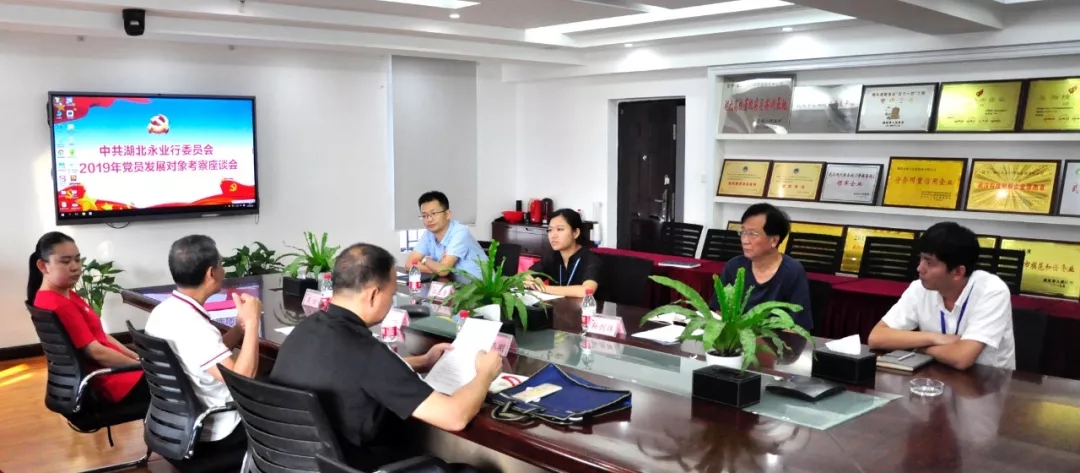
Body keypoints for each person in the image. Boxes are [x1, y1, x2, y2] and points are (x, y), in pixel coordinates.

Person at [271, 243, 502, 472]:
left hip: (293, 465)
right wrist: (485, 373)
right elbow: (455, 417)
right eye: (391, 295)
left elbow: (345, 371)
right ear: (373, 295)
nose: (391, 303)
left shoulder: (304, 330)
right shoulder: (367, 353)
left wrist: (423, 362)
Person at [144, 235, 262, 446]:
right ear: (211, 273)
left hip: (177, 424)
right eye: (221, 265)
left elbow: (203, 355)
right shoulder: (195, 326)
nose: (223, 271)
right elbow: (242, 379)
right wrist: (253, 322)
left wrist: (239, 328)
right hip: (220, 426)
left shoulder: (162, 312)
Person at [868, 222, 1015, 370]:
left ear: (957, 272)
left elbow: (962, 358)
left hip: (986, 379)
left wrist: (920, 348)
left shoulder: (992, 291)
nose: (919, 268)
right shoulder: (919, 288)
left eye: (929, 263)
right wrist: (934, 338)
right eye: (921, 259)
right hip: (933, 375)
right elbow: (876, 338)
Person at [28, 231, 149, 406]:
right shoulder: (58, 304)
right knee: (183, 380)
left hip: (115, 373)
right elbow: (96, 352)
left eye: (77, 260)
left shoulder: (62, 295)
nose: (75, 267)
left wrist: (135, 358)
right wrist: (140, 367)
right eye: (65, 261)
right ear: (43, 266)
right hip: (114, 382)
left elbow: (99, 335)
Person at [714, 203, 812, 330]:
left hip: (775, 341)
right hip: (736, 340)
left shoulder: (793, 272)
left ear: (774, 240)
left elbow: (796, 327)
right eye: (743, 232)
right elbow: (720, 313)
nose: (745, 240)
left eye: (752, 234)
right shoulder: (734, 267)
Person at [405, 191, 487, 281]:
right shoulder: (429, 234)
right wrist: (436, 267)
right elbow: (409, 264)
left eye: (434, 213)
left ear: (447, 214)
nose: (429, 219)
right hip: (452, 285)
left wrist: (425, 260)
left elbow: (443, 271)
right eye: (424, 215)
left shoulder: (460, 232)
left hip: (481, 287)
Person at [524, 208, 602, 297]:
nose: (553, 235)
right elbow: (525, 276)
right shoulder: (552, 256)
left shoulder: (591, 259)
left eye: (560, 229)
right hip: (558, 305)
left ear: (575, 233)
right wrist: (530, 281)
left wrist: (544, 288)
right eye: (550, 230)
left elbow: (587, 291)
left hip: (586, 306)